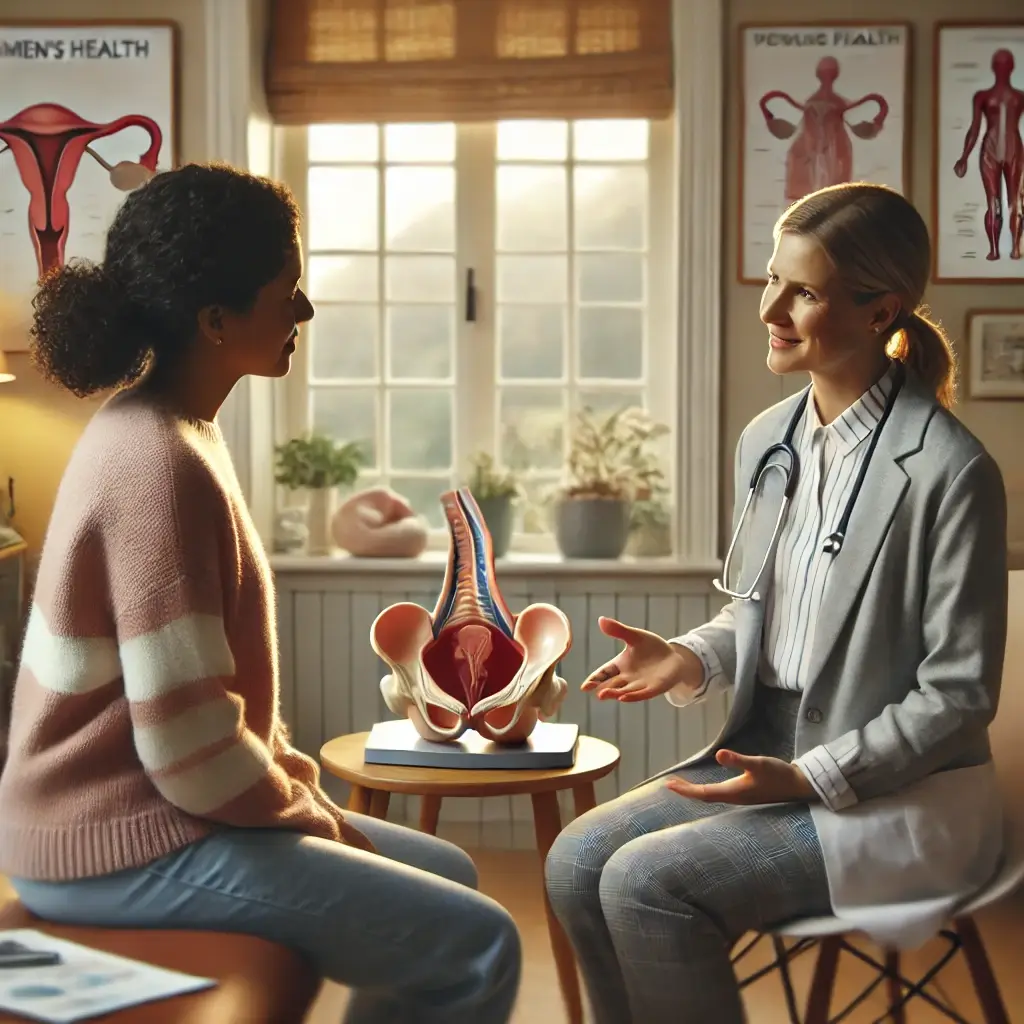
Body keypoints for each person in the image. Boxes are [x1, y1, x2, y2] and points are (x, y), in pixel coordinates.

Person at [0, 162, 521, 1024]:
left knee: (451, 875)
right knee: (481, 941)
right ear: (215, 321)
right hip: (116, 847)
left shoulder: (170, 429)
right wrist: (311, 819)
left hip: (147, 816)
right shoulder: (156, 464)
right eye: (289, 292)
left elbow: (204, 723)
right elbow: (189, 748)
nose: (305, 313)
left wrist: (301, 794)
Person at [545, 181, 1008, 1024]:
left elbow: (958, 697)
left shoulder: (953, 473)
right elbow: (763, 614)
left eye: (803, 291)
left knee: (647, 883)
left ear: (881, 312)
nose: (773, 308)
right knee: (577, 860)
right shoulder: (766, 442)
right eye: (771, 281)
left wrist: (807, 774)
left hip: (896, 795)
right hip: (765, 750)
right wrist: (691, 656)